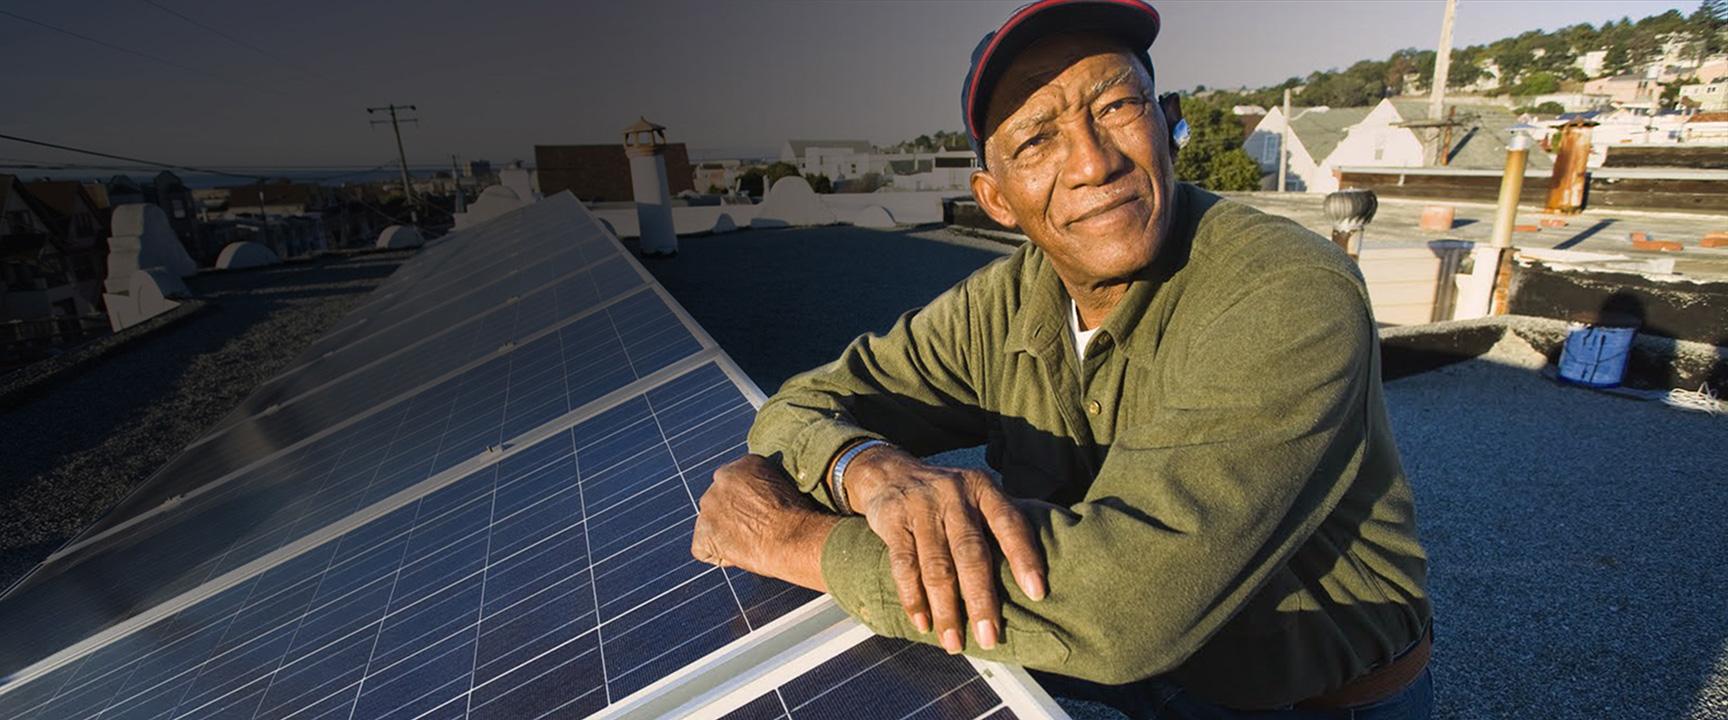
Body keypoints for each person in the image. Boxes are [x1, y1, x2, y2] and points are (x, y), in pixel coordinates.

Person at [689, 1, 1433, 717]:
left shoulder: (1286, 292)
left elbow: (1124, 610)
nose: (1092, 162)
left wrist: (794, 539)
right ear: (996, 198)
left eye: (1115, 107)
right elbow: (801, 405)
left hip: (1298, 697)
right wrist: (871, 470)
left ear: (1168, 122)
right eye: (1037, 140)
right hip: (1139, 663)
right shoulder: (1002, 303)